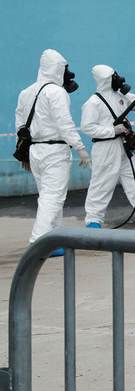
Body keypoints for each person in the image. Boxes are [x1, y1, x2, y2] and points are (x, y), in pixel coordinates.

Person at [15, 49, 91, 256]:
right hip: (55, 150)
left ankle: (54, 240)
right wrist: (80, 147)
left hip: (35, 150)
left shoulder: (26, 92)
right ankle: (37, 243)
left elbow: (20, 125)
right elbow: (65, 124)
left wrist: (23, 153)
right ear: (59, 69)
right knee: (53, 198)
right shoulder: (57, 92)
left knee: (49, 196)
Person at [81, 65, 135, 228]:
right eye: (113, 76)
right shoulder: (93, 103)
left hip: (124, 145)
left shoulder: (122, 95)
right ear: (106, 80)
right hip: (106, 147)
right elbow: (87, 127)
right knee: (101, 184)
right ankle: (93, 219)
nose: (118, 78)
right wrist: (111, 130)